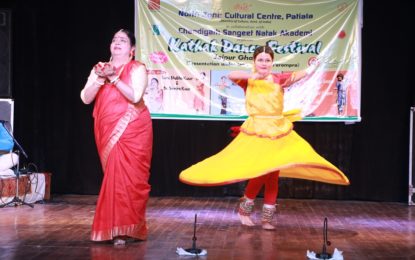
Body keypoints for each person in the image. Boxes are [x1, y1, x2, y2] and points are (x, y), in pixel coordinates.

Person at [179, 46, 349, 230]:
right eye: (260, 60)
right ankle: (245, 211)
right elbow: (231, 74)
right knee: (261, 171)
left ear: (272, 62)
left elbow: (302, 74)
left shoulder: (278, 78)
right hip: (257, 130)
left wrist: (315, 65)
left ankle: (267, 218)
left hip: (278, 129)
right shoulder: (249, 81)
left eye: (267, 60)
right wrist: (252, 76)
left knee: (273, 173)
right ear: (254, 61)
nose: (264, 63)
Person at [80, 29, 153, 245]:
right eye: (114, 39)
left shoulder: (137, 68)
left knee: (129, 180)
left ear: (132, 49)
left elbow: (136, 96)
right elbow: (85, 98)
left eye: (122, 40)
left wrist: (113, 77)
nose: (117, 42)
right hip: (106, 128)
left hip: (134, 129)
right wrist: (100, 79)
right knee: (113, 177)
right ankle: (114, 228)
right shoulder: (99, 69)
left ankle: (126, 229)